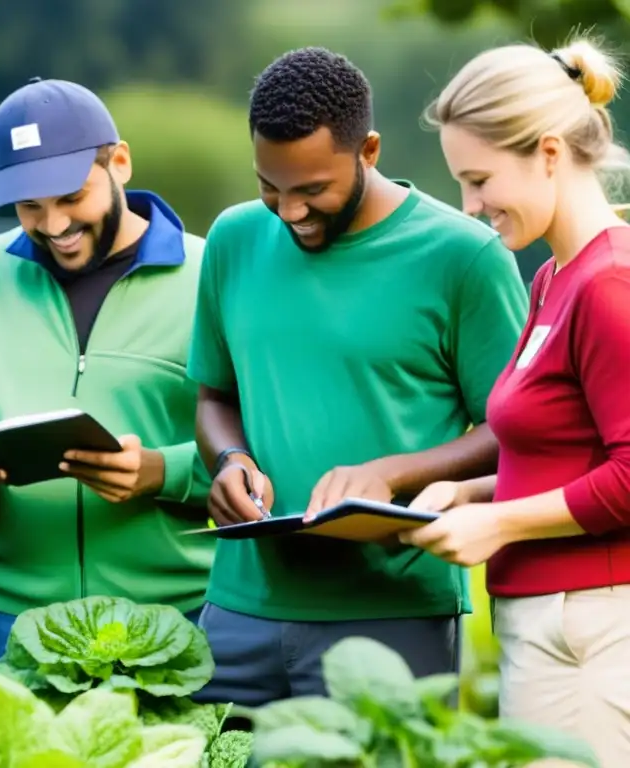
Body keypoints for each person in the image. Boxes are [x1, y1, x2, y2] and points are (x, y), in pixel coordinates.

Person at [186, 47, 530, 706]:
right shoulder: (233, 239)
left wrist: (394, 473)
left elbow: (513, 430)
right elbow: (214, 397)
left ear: (368, 150)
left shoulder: (463, 257)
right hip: (239, 608)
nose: (288, 212)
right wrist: (228, 458)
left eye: (312, 190)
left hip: (392, 615)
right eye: (270, 185)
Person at [0, 77, 216, 671]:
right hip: (6, 623)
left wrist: (160, 471)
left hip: (170, 620)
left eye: (71, 197)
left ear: (120, 163)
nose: (53, 225)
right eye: (30, 206)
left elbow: (258, 452)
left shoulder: (208, 276)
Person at [400, 39, 630, 767]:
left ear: (551, 153)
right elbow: (567, 458)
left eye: (479, 179)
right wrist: (468, 492)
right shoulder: (552, 281)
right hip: (550, 628)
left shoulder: (608, 284)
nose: (471, 206)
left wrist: (496, 522)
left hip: (597, 630)